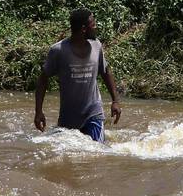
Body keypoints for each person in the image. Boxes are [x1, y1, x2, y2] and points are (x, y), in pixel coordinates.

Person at [34, 9, 121, 142]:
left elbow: (105, 71)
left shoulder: (97, 46)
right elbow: (43, 79)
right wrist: (38, 112)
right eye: (93, 24)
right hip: (68, 117)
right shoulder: (58, 50)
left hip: (94, 113)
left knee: (98, 151)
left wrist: (115, 101)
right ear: (83, 29)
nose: (96, 27)